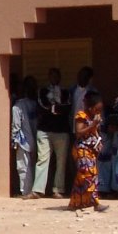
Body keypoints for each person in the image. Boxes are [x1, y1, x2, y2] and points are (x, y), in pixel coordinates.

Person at [69, 91, 108, 212]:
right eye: (97, 109)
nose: (98, 112)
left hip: (91, 150)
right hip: (82, 150)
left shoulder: (94, 117)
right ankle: (95, 203)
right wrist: (93, 125)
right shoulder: (81, 116)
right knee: (87, 175)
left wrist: (99, 141)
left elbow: (95, 132)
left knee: (88, 175)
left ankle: (77, 202)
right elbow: (79, 133)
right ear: (90, 107)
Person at [34, 68, 71, 198]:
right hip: (44, 129)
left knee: (61, 161)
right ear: (49, 77)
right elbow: (42, 107)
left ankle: (58, 189)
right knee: (42, 159)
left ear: (60, 78)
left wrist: (54, 108)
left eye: (56, 76)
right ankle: (38, 189)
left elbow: (67, 108)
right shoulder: (43, 91)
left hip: (61, 130)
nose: (54, 78)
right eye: (52, 75)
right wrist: (55, 109)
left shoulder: (66, 92)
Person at [12, 77, 38, 199]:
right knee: (31, 166)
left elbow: (16, 126)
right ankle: (32, 189)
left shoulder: (17, 106)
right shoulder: (34, 104)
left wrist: (13, 141)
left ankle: (25, 191)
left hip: (23, 141)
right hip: (35, 139)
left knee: (23, 166)